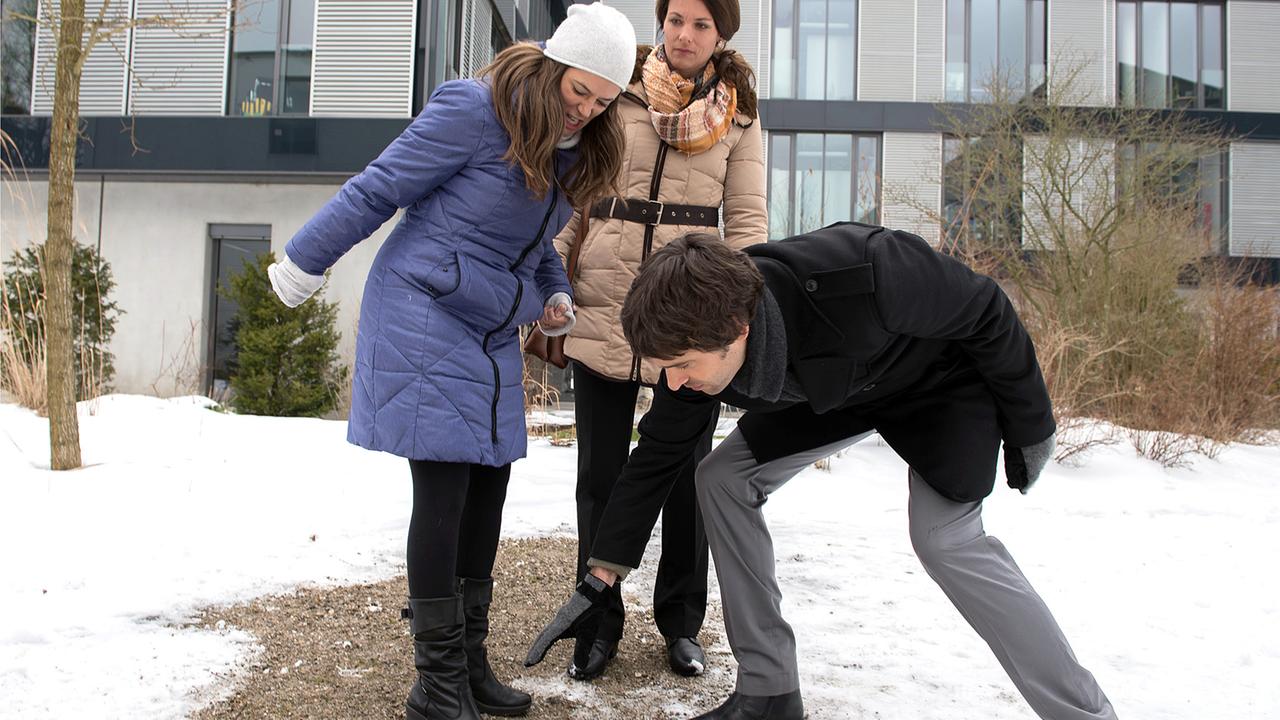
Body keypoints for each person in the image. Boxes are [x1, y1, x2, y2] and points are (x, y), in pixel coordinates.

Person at [529, 225, 1118, 720]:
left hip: (940, 384)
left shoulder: (870, 274)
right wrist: (601, 573)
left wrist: (1032, 425)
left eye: (682, 367)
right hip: (838, 393)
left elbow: (988, 308)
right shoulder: (695, 339)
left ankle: (1082, 713)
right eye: (665, 370)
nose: (675, 382)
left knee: (944, 539)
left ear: (739, 328)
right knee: (720, 478)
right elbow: (657, 453)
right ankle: (769, 692)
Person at [266, 5, 636, 718]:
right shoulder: (476, 109)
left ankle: (467, 666)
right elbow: (381, 187)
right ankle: (436, 687)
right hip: (424, 311)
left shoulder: (573, 149)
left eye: (602, 100)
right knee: (443, 489)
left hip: (492, 319)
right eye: (578, 90)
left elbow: (535, 249)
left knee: (489, 487)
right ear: (555, 64)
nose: (584, 110)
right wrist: (305, 262)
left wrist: (555, 295)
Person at [549, 0, 766, 681]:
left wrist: (746, 315)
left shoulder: (741, 114)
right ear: (662, 21)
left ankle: (680, 622)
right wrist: (551, 265)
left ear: (721, 34)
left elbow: (749, 217)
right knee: (600, 475)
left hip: (690, 314)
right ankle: (598, 621)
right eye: (676, 19)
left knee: (685, 476)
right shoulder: (622, 93)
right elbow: (577, 191)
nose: (685, 35)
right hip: (605, 298)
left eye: (702, 24)